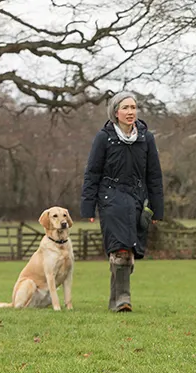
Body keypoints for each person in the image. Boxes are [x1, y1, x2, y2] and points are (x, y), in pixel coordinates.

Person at [80, 91, 164, 312]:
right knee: (121, 249)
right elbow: (92, 173)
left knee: (129, 251)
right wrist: (88, 206)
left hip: (137, 200)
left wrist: (157, 208)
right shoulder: (103, 138)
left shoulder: (146, 138)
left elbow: (154, 175)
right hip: (111, 199)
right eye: (125, 108)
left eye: (133, 107)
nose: (130, 112)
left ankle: (115, 301)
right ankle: (123, 300)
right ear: (115, 112)